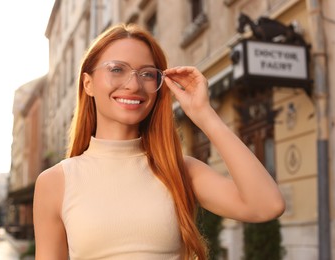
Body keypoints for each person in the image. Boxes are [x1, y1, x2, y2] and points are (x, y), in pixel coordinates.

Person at [33, 23, 285, 260]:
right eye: (117, 69)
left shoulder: (179, 170)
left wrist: (203, 114)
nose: (134, 85)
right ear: (88, 83)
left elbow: (266, 205)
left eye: (147, 74)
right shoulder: (55, 182)